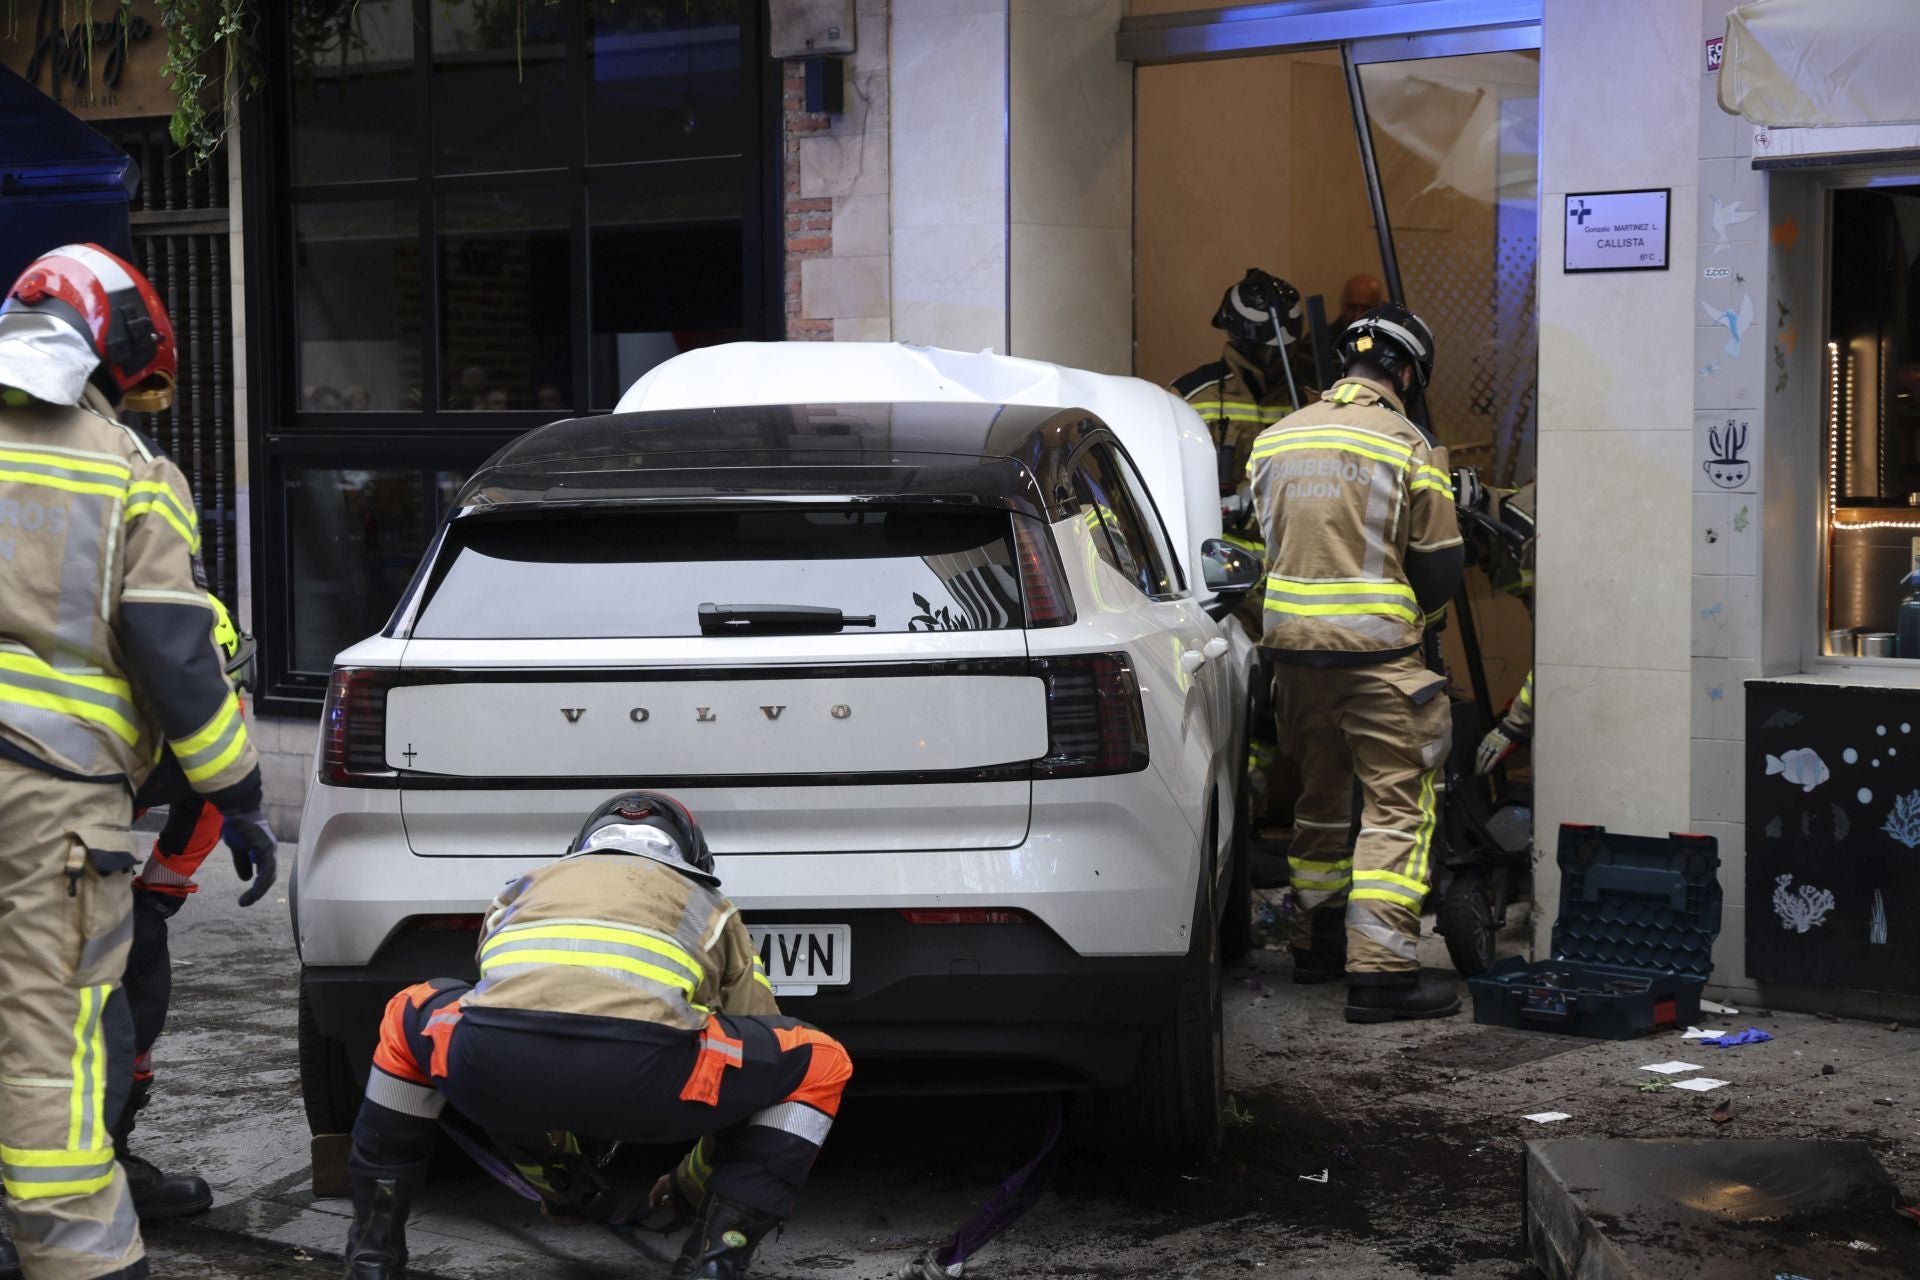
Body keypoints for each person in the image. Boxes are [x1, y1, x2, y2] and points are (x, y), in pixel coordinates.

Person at [0, 243, 276, 1280]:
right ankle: (81, 1259)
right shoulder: (125, 469)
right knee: (50, 1034)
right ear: (107, 346)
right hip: (47, 800)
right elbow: (173, 651)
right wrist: (237, 790)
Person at [340, 792, 852, 1280]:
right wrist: (687, 1185)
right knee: (818, 1060)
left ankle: (371, 1256)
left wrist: (559, 1186)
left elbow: (507, 1010)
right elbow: (758, 1039)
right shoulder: (710, 906)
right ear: (692, 860)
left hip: (497, 1062)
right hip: (651, 1076)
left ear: (582, 849)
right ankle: (712, 1265)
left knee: (409, 1012)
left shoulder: (525, 885)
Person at [1246, 303, 1465, 1022]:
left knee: (1319, 798)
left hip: (1293, 659)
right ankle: (1381, 975)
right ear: (1404, 371)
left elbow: (1271, 543)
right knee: (1396, 808)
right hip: (1379, 660)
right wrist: (1423, 623)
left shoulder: (1272, 441)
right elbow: (1438, 566)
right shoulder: (1408, 444)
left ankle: (1316, 947)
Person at [114, 594, 256, 1223]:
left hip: (68, 853)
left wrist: (156, 899)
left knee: (134, 987)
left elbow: (207, 799)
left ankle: (107, 1162)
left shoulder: (210, 704)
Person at [1333, 273, 1387, 338]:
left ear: (1380, 308)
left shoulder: (1390, 338)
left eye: (1366, 309)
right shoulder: (1323, 340)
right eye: (1352, 307)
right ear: (1341, 304)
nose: (1357, 316)